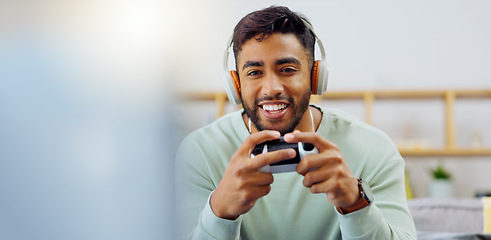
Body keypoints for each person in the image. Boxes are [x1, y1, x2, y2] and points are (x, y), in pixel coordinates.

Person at [175, 5, 416, 240]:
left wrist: (356, 203)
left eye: (288, 69)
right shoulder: (200, 151)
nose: (272, 89)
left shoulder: (373, 149)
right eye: (254, 73)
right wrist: (219, 212)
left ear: (315, 76)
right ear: (236, 85)